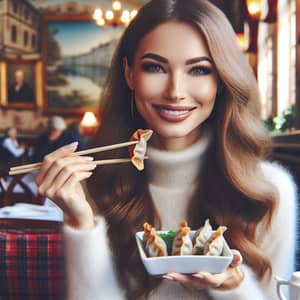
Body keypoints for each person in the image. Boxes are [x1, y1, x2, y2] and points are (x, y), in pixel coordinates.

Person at [35, 1, 297, 299]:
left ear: (222, 81)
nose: (175, 91)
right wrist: (81, 223)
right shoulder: (92, 185)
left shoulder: (270, 191)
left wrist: (232, 286)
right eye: (155, 67)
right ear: (129, 73)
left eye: (199, 69)